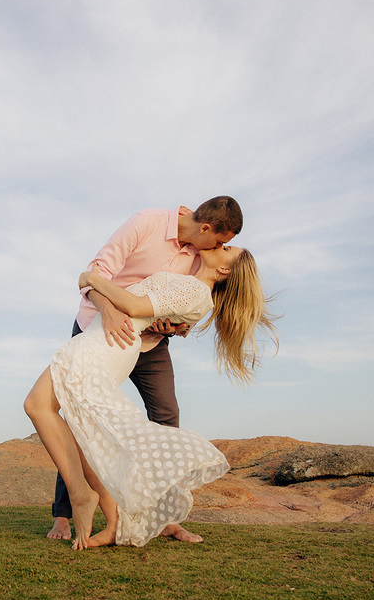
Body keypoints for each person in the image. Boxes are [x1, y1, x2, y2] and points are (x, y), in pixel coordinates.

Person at [24, 243, 276, 549]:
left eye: (227, 248)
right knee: (82, 428)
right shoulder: (190, 282)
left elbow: (133, 306)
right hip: (105, 339)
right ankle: (105, 514)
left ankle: (82, 496)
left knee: (40, 406)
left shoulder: (197, 293)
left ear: (224, 269)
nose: (219, 245)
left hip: (108, 344)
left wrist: (94, 280)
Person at [46, 198, 243, 543]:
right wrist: (108, 311)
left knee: (167, 413)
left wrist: (173, 326)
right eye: (219, 241)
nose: (219, 248)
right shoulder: (146, 223)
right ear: (206, 228)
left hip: (150, 342)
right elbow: (99, 270)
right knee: (77, 415)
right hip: (100, 326)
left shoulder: (202, 256)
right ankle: (63, 514)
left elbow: (182, 306)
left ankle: (166, 516)